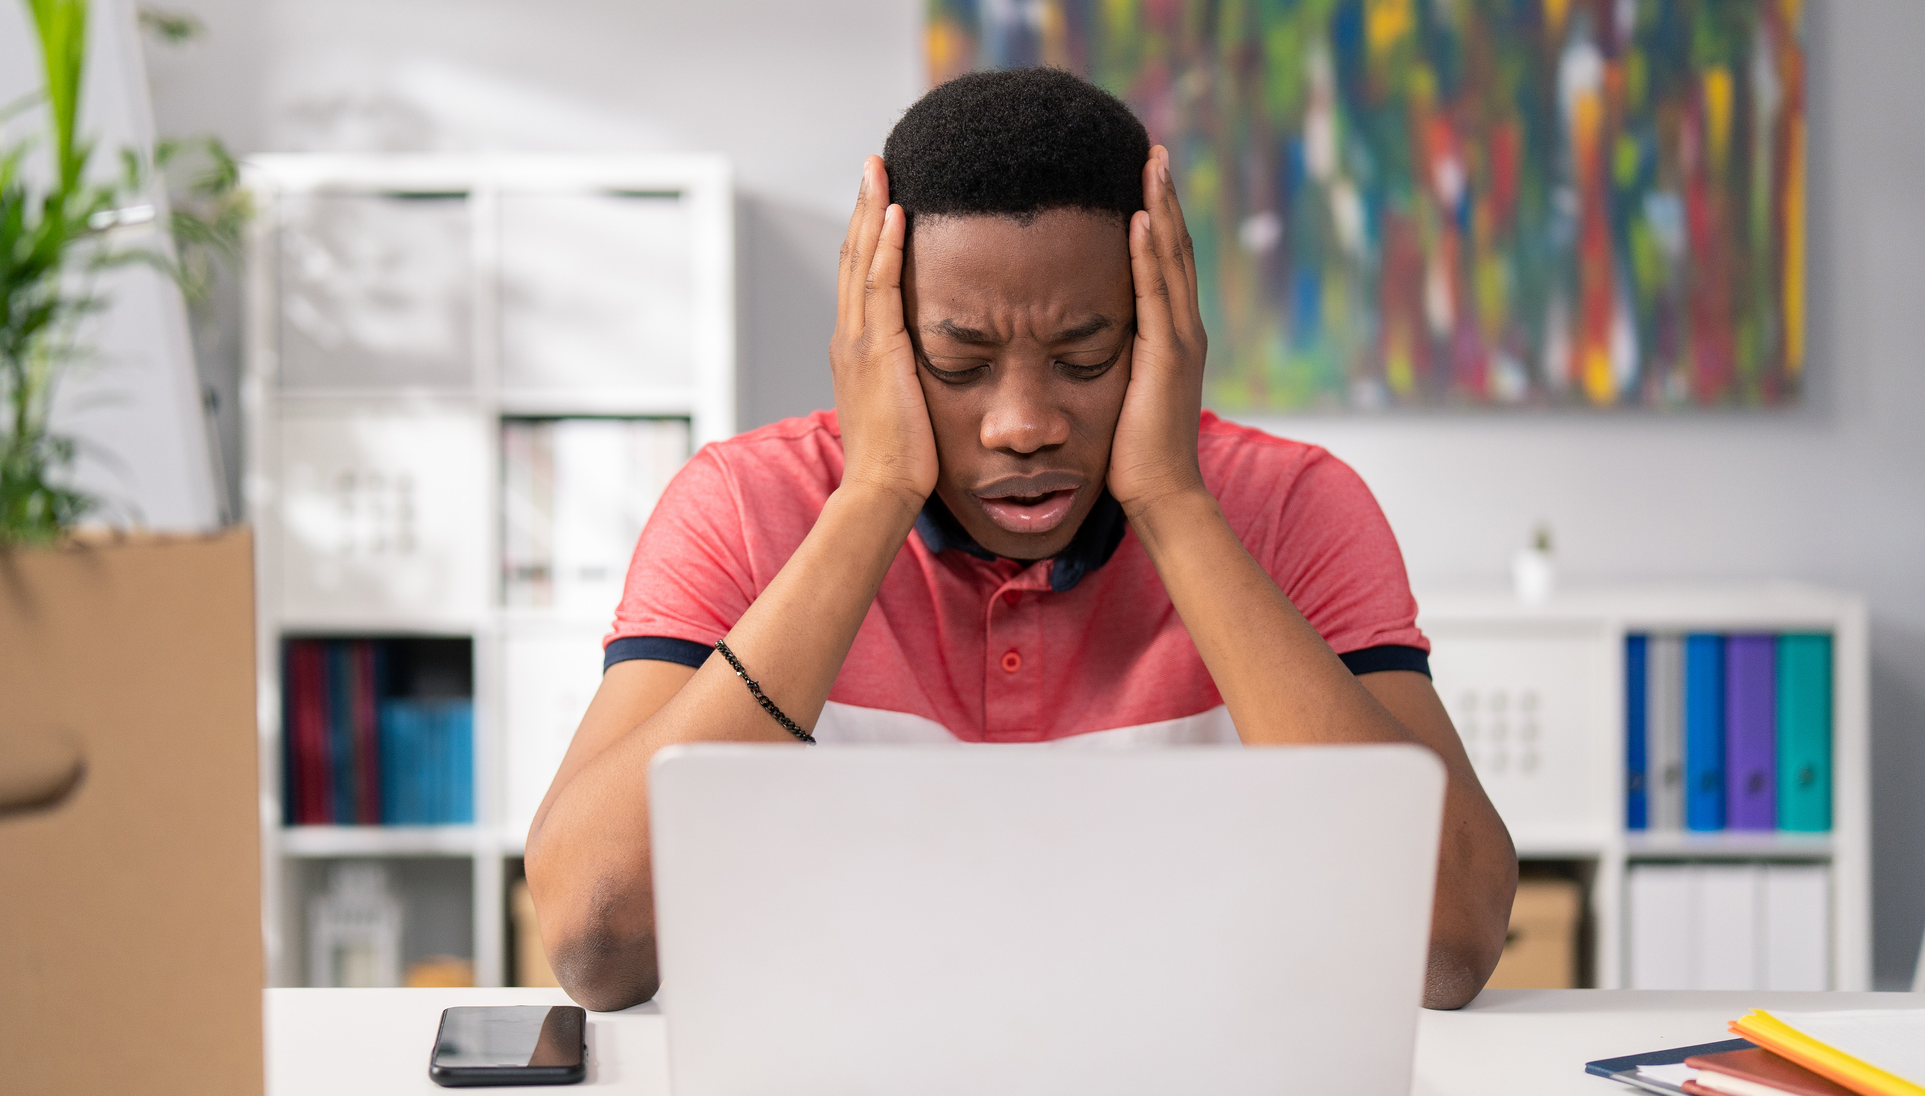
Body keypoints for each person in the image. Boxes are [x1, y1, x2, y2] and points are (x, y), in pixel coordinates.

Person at [525, 67, 1517, 1013]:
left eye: (1084, 356)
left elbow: (1447, 942)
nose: (1024, 422)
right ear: (880, 341)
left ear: (1160, 332)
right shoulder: (740, 507)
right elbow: (592, 940)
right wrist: (872, 495)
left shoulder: (1297, 508)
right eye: (959, 365)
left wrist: (1173, 499)